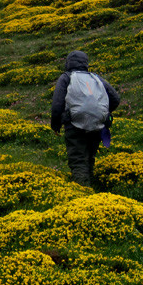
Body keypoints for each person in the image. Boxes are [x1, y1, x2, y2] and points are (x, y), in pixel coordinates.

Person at [50, 50, 120, 188]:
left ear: (68, 63)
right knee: (89, 156)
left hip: (74, 124)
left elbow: (57, 104)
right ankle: (92, 186)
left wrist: (56, 125)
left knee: (78, 159)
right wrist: (102, 111)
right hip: (97, 125)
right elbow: (115, 99)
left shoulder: (66, 77)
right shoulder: (96, 78)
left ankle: (83, 192)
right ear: (86, 63)